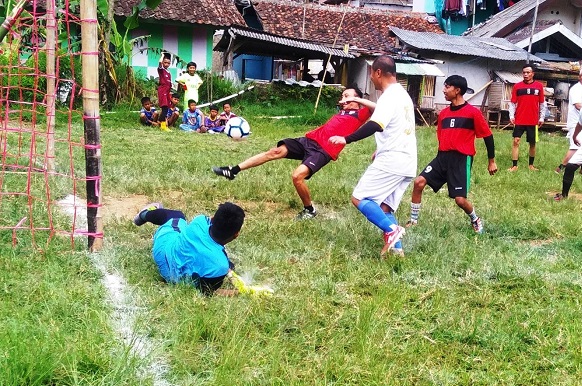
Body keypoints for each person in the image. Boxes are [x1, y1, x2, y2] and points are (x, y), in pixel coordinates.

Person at [212, 86, 372, 220]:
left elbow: (377, 108)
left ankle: (310, 210)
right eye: (342, 95)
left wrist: (356, 100)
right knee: (274, 152)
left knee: (297, 177)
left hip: (324, 151)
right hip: (308, 140)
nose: (342, 99)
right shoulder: (342, 112)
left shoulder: (361, 114)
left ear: (357, 99)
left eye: (346, 96)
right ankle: (233, 171)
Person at [328, 55, 416, 257]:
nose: (372, 79)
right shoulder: (401, 94)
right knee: (384, 207)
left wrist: (346, 139)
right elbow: (397, 124)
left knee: (360, 198)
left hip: (392, 160)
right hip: (407, 161)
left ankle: (393, 230)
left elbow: (376, 124)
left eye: (371, 74)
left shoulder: (389, 96)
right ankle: (397, 252)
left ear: (378, 72)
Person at [406, 75, 497, 235]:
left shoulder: (473, 113)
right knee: (419, 182)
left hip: (461, 159)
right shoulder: (443, 114)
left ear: (457, 90)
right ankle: (413, 221)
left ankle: (475, 219)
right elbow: (441, 136)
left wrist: (491, 161)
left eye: (447, 87)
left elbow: (488, 136)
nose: (444, 90)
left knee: (460, 200)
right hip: (442, 158)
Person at [133, 201, 246, 296]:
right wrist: (237, 292)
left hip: (163, 254)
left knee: (177, 216)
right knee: (229, 265)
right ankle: (143, 214)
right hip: (176, 281)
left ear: (211, 219)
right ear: (236, 235)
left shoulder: (200, 221)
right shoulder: (220, 266)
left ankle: (144, 215)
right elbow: (207, 291)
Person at [507, 64, 545, 172]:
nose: (526, 74)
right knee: (516, 141)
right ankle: (514, 165)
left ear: (533, 73)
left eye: (528, 72)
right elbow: (513, 103)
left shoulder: (539, 86)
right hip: (519, 120)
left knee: (532, 143)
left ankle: (531, 165)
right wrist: (511, 115)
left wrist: (541, 118)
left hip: (533, 121)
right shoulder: (517, 86)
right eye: (524, 72)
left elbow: (542, 104)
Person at [556, 68, 582, 175]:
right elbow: (577, 105)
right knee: (575, 146)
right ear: (579, 77)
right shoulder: (576, 89)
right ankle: (561, 168)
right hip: (576, 122)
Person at [156, 52, 174, 132]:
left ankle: (159, 122)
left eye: (168, 63)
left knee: (166, 108)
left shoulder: (168, 72)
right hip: (162, 90)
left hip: (167, 91)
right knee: (165, 108)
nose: (167, 64)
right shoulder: (161, 70)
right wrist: (162, 55)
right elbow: (159, 62)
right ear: (163, 62)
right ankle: (163, 126)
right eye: (165, 62)